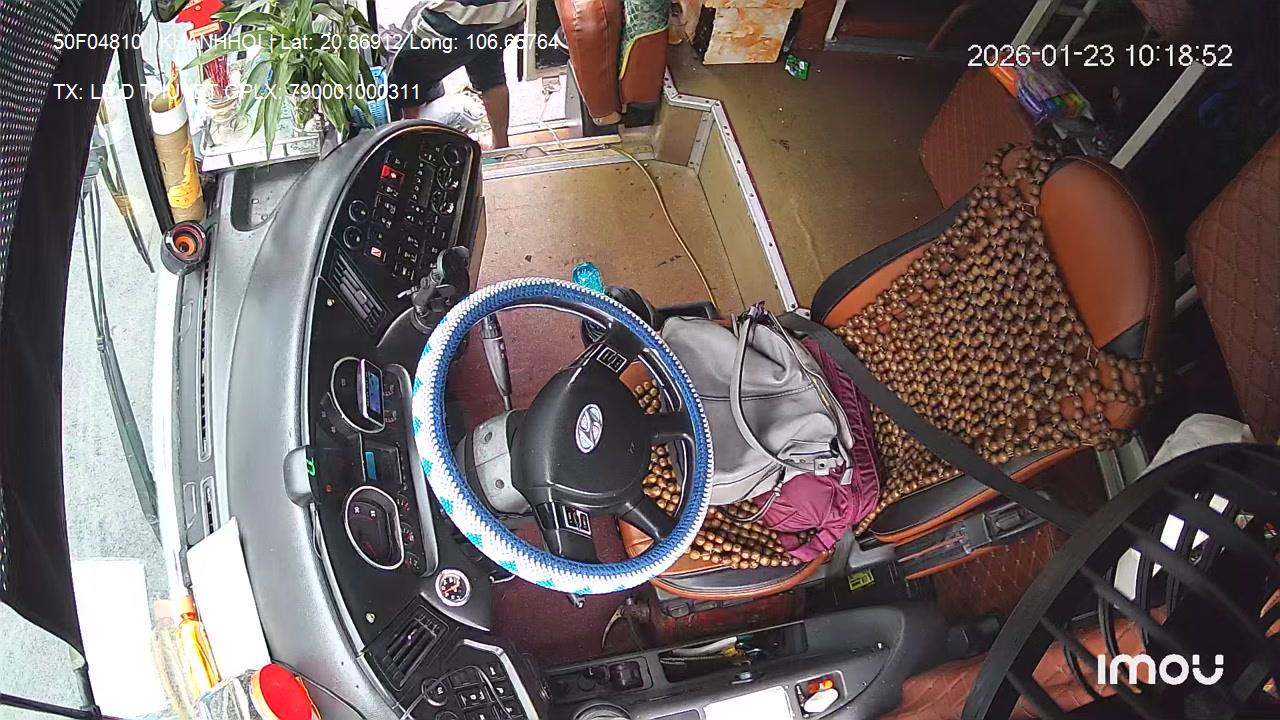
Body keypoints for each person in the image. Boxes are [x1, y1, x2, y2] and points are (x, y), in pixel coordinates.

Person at [388, 0, 526, 149]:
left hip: (460, 15)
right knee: (489, 73)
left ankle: (412, 146)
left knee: (407, 70)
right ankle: (501, 146)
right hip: (507, 13)